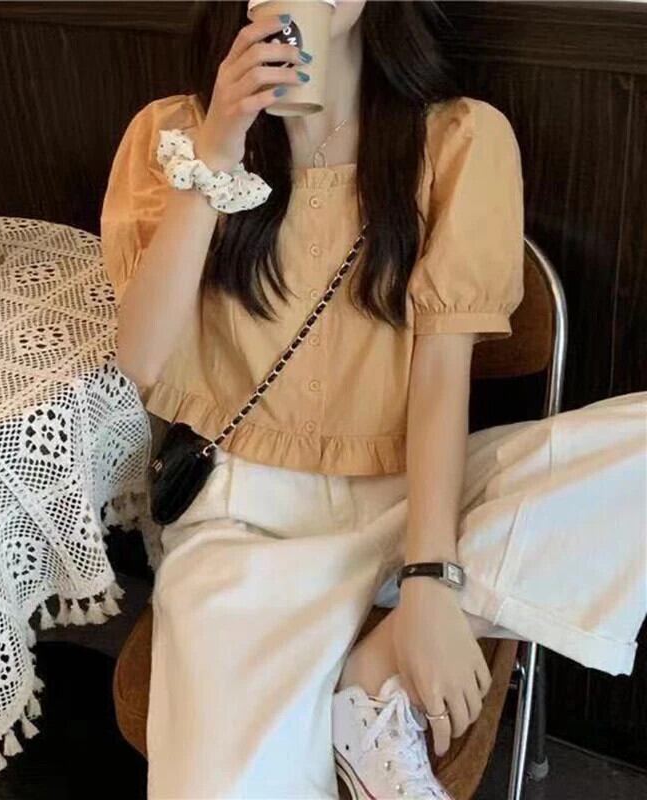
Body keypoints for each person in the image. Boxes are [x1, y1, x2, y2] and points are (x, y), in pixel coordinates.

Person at [100, 2, 647, 798]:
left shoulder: (459, 138)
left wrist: (430, 578)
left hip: (416, 498)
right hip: (244, 522)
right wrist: (217, 148)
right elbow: (142, 358)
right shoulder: (172, 133)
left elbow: (439, 378)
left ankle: (374, 676)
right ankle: (374, 683)